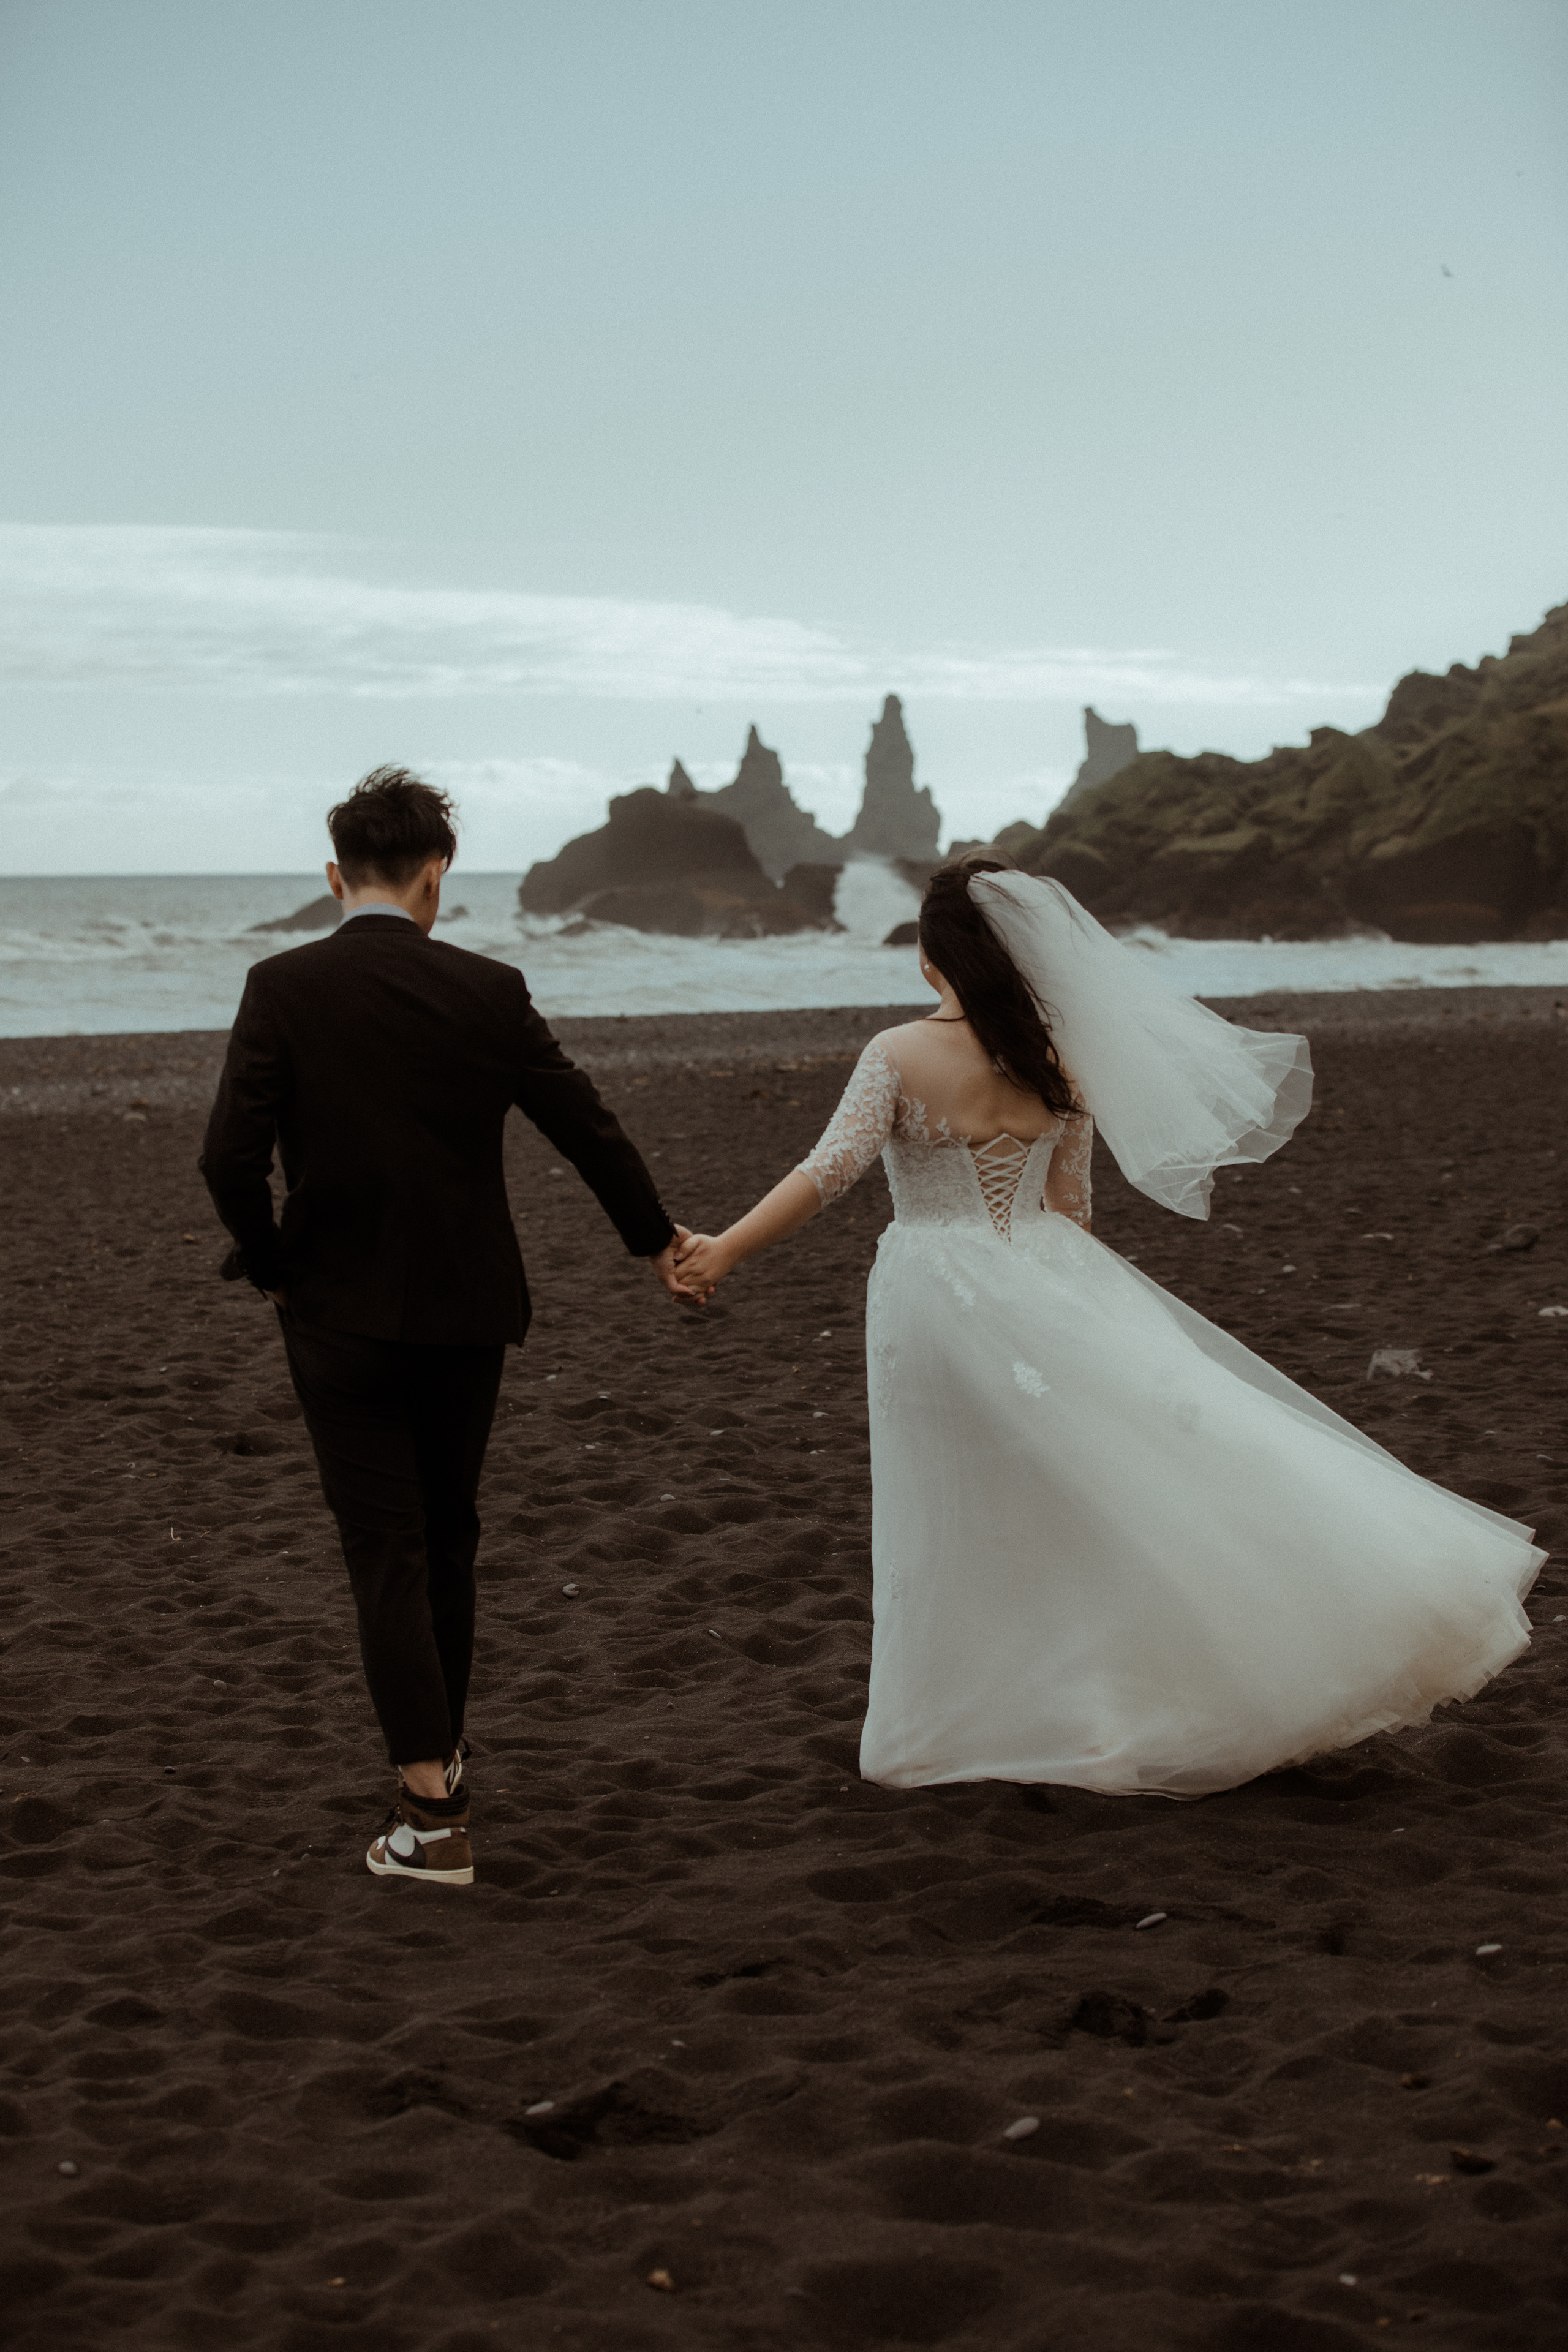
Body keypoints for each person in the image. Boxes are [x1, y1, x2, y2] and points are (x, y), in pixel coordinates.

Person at [674, 853, 1543, 1797]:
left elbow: (828, 1172)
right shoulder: (1058, 1061)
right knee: (1078, 1493)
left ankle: (947, 1723)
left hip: (935, 1287)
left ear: (932, 959)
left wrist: (723, 1250)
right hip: (1054, 1275)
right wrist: (1069, 1305)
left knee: (953, 1505)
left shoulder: (897, 1052)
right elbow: (1071, 1209)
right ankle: (1101, 1711)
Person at [201, 767, 696, 1884]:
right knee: (446, 1537)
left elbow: (227, 1157)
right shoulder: (490, 988)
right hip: (467, 1308)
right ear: (437, 876)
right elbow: (586, 1125)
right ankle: (443, 1760)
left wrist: (270, 1264)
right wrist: (654, 1240)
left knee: (385, 1547)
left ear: (337, 878)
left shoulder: (281, 985)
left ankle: (431, 1816)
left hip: (335, 1307)